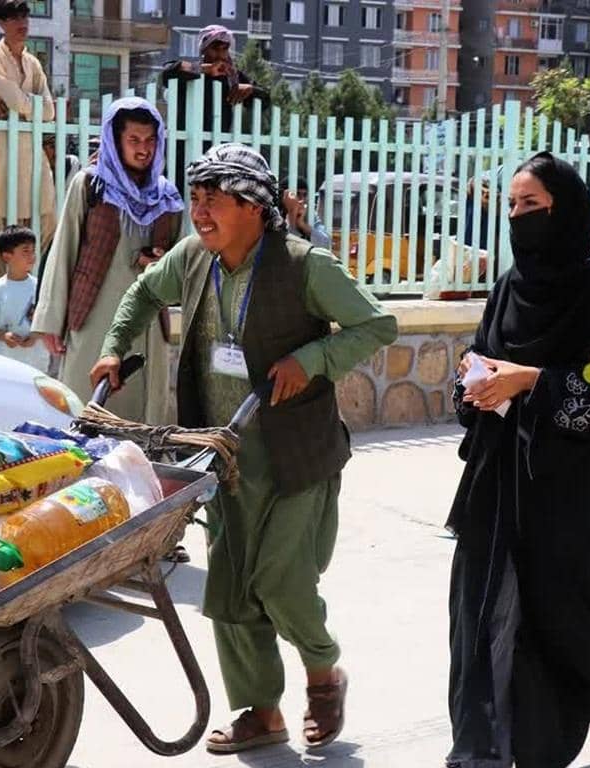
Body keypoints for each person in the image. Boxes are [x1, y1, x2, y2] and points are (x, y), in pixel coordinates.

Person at [91, 143, 396, 754]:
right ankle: (262, 712)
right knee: (229, 592)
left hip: (294, 455)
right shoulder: (192, 259)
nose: (199, 213)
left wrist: (312, 359)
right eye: (195, 200)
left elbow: (377, 325)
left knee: (281, 583)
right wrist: (114, 345)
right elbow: (141, 295)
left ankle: (322, 671)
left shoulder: (307, 266)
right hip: (221, 453)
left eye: (213, 201)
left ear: (254, 206)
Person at [448, 153, 590, 768]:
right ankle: (481, 750)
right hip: (495, 478)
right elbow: (479, 361)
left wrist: (529, 382)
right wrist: (477, 381)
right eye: (512, 206)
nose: (518, 218)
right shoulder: (508, 287)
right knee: (480, 611)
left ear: (565, 211)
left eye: (532, 207)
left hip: (564, 485)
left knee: (561, 605)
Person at [32, 97, 183, 423]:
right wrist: (50, 320)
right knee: (87, 405)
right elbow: (63, 251)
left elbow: (182, 259)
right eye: (134, 140)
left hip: (146, 321)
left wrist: (161, 261)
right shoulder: (90, 185)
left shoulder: (167, 196)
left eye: (150, 140)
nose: (143, 149)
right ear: (115, 141)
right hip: (93, 316)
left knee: (141, 415)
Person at [0, 0, 57, 273]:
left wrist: (21, 106)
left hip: (32, 154)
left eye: (24, 16)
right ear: (1, 22)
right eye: (13, 17)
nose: (21, 23)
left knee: (46, 220)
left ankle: (31, 288)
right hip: (4, 152)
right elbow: (18, 99)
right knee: (3, 228)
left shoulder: (33, 63)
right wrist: (25, 105)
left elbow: (49, 110)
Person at [160, 25, 269, 190]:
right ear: (204, 49)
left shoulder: (233, 77)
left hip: (217, 153)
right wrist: (206, 70)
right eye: (215, 48)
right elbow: (167, 72)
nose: (221, 53)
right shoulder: (190, 72)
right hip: (183, 148)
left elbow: (265, 99)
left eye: (225, 48)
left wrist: (250, 89)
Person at [0, 226, 49, 371]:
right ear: (7, 256)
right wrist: (4, 336)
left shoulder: (41, 287)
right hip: (5, 360)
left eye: (33, 251)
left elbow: (47, 319)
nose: (32, 256)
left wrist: (35, 335)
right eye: (25, 251)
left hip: (37, 360)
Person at [282, 178, 331, 249]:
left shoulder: (310, 215)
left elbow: (325, 243)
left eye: (305, 195)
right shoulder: (276, 213)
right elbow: (287, 245)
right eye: (297, 194)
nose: (302, 199)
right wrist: (292, 218)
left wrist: (302, 225)